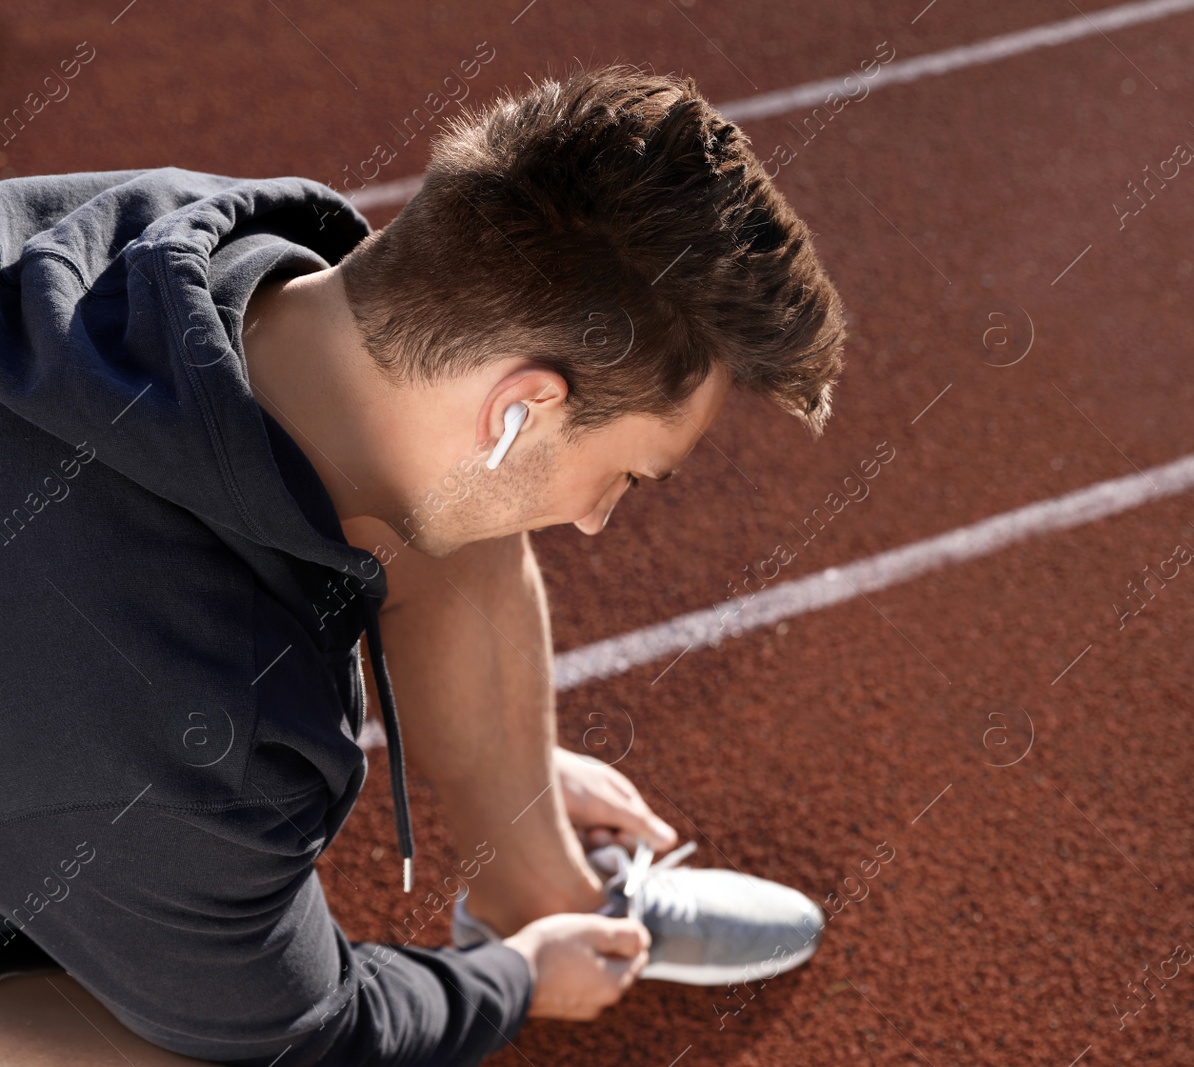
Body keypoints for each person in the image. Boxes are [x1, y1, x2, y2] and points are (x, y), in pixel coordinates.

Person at [0, 64, 847, 1065]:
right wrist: (518, 978)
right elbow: (315, 1030)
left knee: (442, 503)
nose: (595, 522)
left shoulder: (165, 233)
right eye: (628, 476)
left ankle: (545, 885)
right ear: (520, 406)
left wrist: (512, 756)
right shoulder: (208, 743)